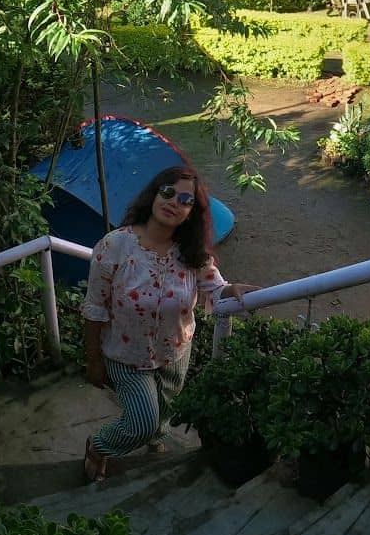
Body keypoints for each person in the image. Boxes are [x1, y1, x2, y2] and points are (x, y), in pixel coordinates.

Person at [80, 164, 253, 483]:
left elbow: (212, 284)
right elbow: (95, 308)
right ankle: (99, 446)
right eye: (168, 192)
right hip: (126, 357)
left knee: (165, 410)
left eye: (185, 200)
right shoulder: (115, 245)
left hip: (176, 350)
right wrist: (93, 360)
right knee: (140, 423)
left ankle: (155, 436)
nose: (174, 202)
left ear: (192, 212)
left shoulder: (190, 252)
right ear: (154, 195)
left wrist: (231, 289)